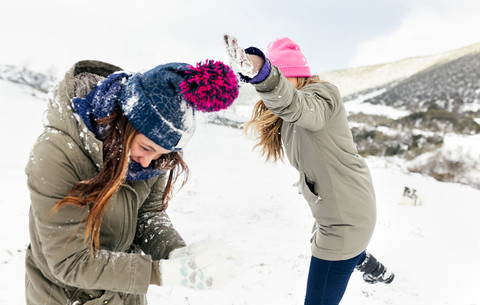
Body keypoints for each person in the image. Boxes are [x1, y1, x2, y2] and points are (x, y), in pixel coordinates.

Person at [25, 59, 240, 304]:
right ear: (124, 122)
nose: (148, 162)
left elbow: (147, 215)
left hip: (123, 295)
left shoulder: (152, 160)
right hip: (64, 296)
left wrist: (177, 253)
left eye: (161, 154)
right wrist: (161, 273)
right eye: (146, 148)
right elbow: (70, 262)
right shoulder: (58, 154)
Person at [224, 35, 394, 305]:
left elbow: (298, 106)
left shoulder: (321, 96)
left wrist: (263, 73)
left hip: (346, 217)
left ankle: (364, 260)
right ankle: (374, 268)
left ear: (291, 76)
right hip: (339, 207)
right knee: (340, 245)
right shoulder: (290, 112)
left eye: (280, 75)